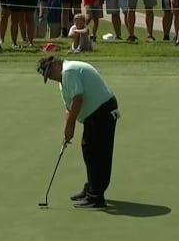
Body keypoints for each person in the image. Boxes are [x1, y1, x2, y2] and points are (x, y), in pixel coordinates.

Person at [36, 55, 120, 209]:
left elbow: (77, 100)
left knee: (98, 152)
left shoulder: (69, 72)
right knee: (89, 149)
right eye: (47, 76)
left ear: (54, 64)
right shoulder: (63, 80)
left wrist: (71, 127)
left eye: (50, 73)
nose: (51, 78)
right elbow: (69, 108)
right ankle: (91, 189)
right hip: (95, 115)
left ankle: (96, 197)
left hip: (103, 112)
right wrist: (66, 131)